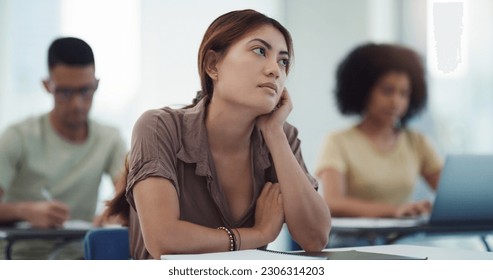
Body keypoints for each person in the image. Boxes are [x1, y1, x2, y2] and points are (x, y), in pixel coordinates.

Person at [107, 9, 331, 260]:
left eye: (283, 61)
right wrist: (259, 234)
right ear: (213, 65)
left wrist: (274, 134)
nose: (275, 70)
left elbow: (315, 238)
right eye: (260, 51)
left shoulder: (281, 135)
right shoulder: (159, 126)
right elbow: (163, 240)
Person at [0, 37, 127, 259]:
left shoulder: (110, 139)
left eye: (86, 90)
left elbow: (128, 197)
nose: (78, 104)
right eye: (66, 92)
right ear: (47, 85)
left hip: (80, 257)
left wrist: (115, 213)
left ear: (96, 84)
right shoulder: (17, 137)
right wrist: (24, 212)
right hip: (20, 257)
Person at [315, 43, 443, 219]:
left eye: (404, 93)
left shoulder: (417, 142)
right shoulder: (338, 142)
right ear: (364, 91)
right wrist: (394, 211)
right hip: (350, 242)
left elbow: (452, 196)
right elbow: (333, 203)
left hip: (402, 241)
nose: (396, 102)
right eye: (387, 91)